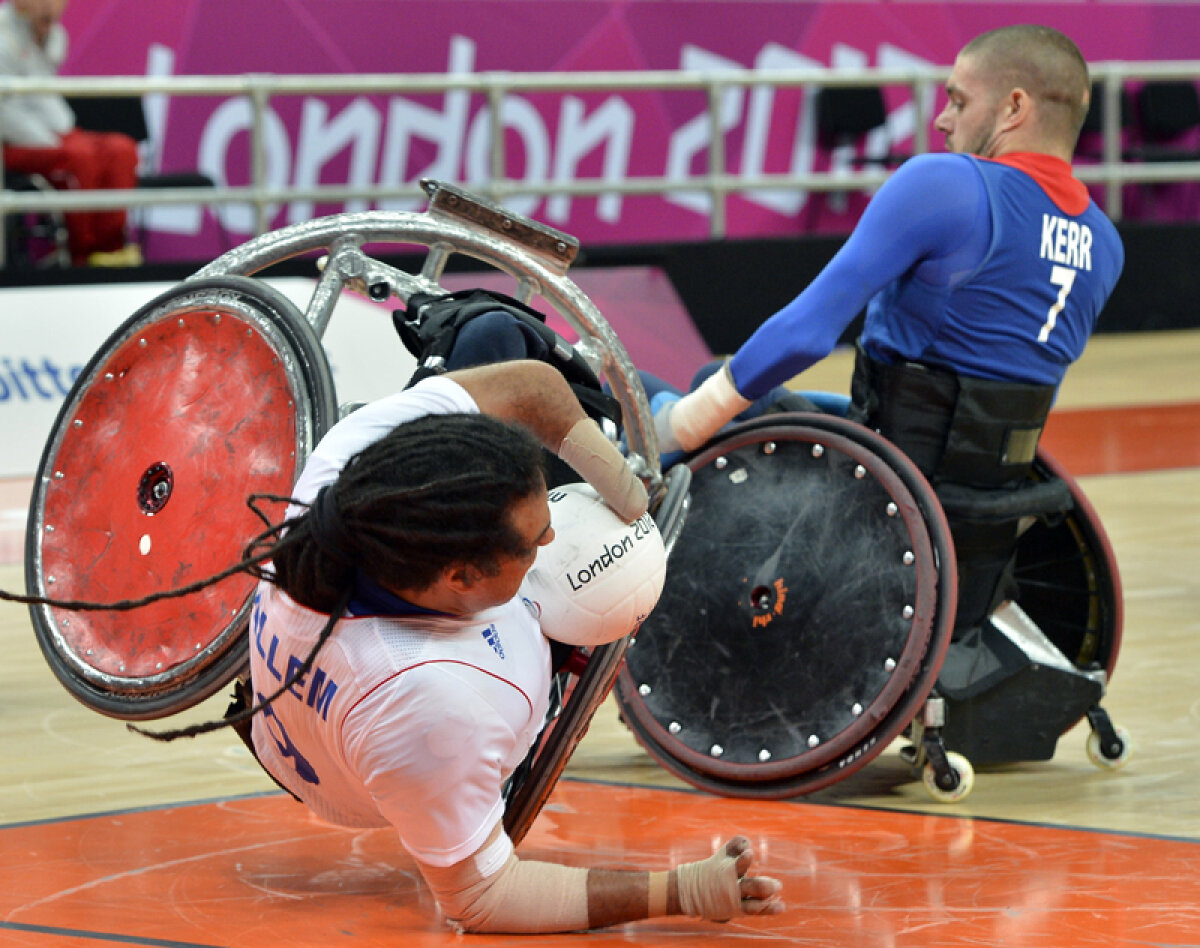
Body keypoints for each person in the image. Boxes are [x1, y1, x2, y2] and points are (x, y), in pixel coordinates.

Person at [6, 355, 784, 933]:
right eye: (532, 540)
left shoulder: (348, 470)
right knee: (589, 590)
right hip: (352, 771)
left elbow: (530, 388)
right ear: (458, 577)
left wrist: (616, 478)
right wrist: (681, 891)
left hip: (321, 708)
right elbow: (485, 899)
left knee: (494, 342)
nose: (552, 536)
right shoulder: (434, 705)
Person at [653, 24, 1125, 639]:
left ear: (1014, 107)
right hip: (982, 501)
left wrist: (684, 423)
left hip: (887, 481)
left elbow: (805, 334)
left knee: (692, 396)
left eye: (958, 100)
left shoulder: (946, 185)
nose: (942, 121)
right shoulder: (1105, 244)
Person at [0, 0, 141, 266]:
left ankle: (111, 248)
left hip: (55, 129)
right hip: (13, 140)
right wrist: (51, 142)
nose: (50, 7)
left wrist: (40, 36)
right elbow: (5, 114)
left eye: (55, 1)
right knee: (80, 156)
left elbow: (47, 72)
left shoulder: (55, 35)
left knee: (121, 149)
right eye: (42, 0)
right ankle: (82, 255)